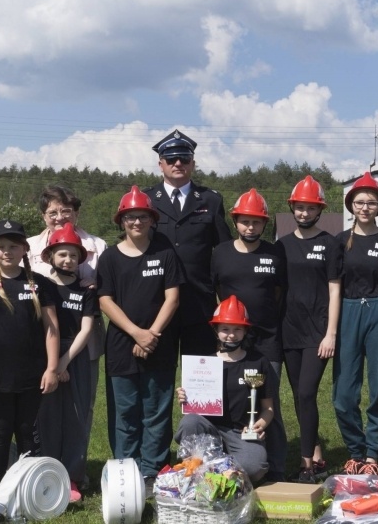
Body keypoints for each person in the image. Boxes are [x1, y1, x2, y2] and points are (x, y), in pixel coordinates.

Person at [0, 220, 59, 495]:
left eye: (13, 246)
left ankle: (27, 490)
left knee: (27, 430)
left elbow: (51, 329)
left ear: (24, 249)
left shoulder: (41, 284)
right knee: (1, 430)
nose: (7, 251)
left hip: (33, 373)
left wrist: (52, 368)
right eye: (0, 246)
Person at [96, 185, 183, 491]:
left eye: (142, 216)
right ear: (121, 221)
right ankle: (126, 470)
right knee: (126, 413)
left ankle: (153, 470)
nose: (136, 222)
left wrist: (152, 335)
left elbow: (172, 297)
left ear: (152, 219)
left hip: (159, 344)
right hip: (122, 345)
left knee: (156, 412)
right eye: (130, 217)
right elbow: (105, 300)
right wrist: (136, 333)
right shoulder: (108, 258)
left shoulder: (165, 253)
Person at [26, 184, 108, 472]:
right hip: (41, 337)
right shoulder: (29, 246)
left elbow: (106, 289)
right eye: (52, 212)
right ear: (43, 216)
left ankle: (74, 469)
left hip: (82, 339)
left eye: (66, 211)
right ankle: (42, 466)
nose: (59, 217)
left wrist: (97, 287)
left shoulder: (98, 246)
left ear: (77, 213)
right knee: (42, 406)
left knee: (79, 408)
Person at [210, 188, 288, 481]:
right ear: (235, 222)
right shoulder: (221, 253)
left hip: (266, 341)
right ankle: (223, 455)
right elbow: (216, 291)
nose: (250, 227)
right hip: (229, 338)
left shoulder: (273, 253)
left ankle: (276, 465)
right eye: (245, 221)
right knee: (228, 399)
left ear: (264, 224)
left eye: (256, 222)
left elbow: (278, 292)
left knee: (267, 402)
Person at [275, 176, 342, 483]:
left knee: (305, 393)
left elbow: (334, 289)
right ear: (293, 208)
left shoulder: (330, 243)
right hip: (289, 330)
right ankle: (314, 450)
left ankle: (306, 467)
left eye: (309, 208)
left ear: (319, 210)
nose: (303, 213)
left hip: (318, 334)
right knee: (298, 396)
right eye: (298, 208)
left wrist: (331, 333)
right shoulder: (282, 245)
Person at [333, 172, 378, 476]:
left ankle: (372, 454)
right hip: (348, 310)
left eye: (371, 202)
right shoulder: (339, 241)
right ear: (351, 205)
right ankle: (355, 451)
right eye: (359, 202)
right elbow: (334, 285)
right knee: (345, 392)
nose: (365, 207)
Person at [145, 129, 233, 357]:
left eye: (184, 158)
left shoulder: (210, 199)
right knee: (159, 371)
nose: (178, 163)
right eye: (171, 159)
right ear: (160, 164)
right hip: (156, 299)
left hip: (199, 300)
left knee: (200, 372)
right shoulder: (146, 201)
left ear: (193, 163)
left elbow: (223, 250)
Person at [174, 296, 274, 484]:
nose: (231, 335)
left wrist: (261, 423)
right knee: (189, 422)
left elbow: (268, 408)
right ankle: (215, 469)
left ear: (245, 331)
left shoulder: (258, 362)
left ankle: (208, 470)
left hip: (241, 431)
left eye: (237, 329)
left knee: (255, 465)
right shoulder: (204, 364)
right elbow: (193, 413)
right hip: (209, 429)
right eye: (225, 329)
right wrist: (185, 398)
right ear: (216, 330)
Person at [35, 223, 96, 503]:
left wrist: (64, 363)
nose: (67, 260)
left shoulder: (86, 291)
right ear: (50, 257)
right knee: (46, 416)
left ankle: (72, 476)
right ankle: (44, 472)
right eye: (61, 254)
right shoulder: (39, 286)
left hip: (75, 356)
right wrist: (52, 365)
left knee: (75, 416)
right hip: (46, 356)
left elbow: (86, 330)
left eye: (73, 255)